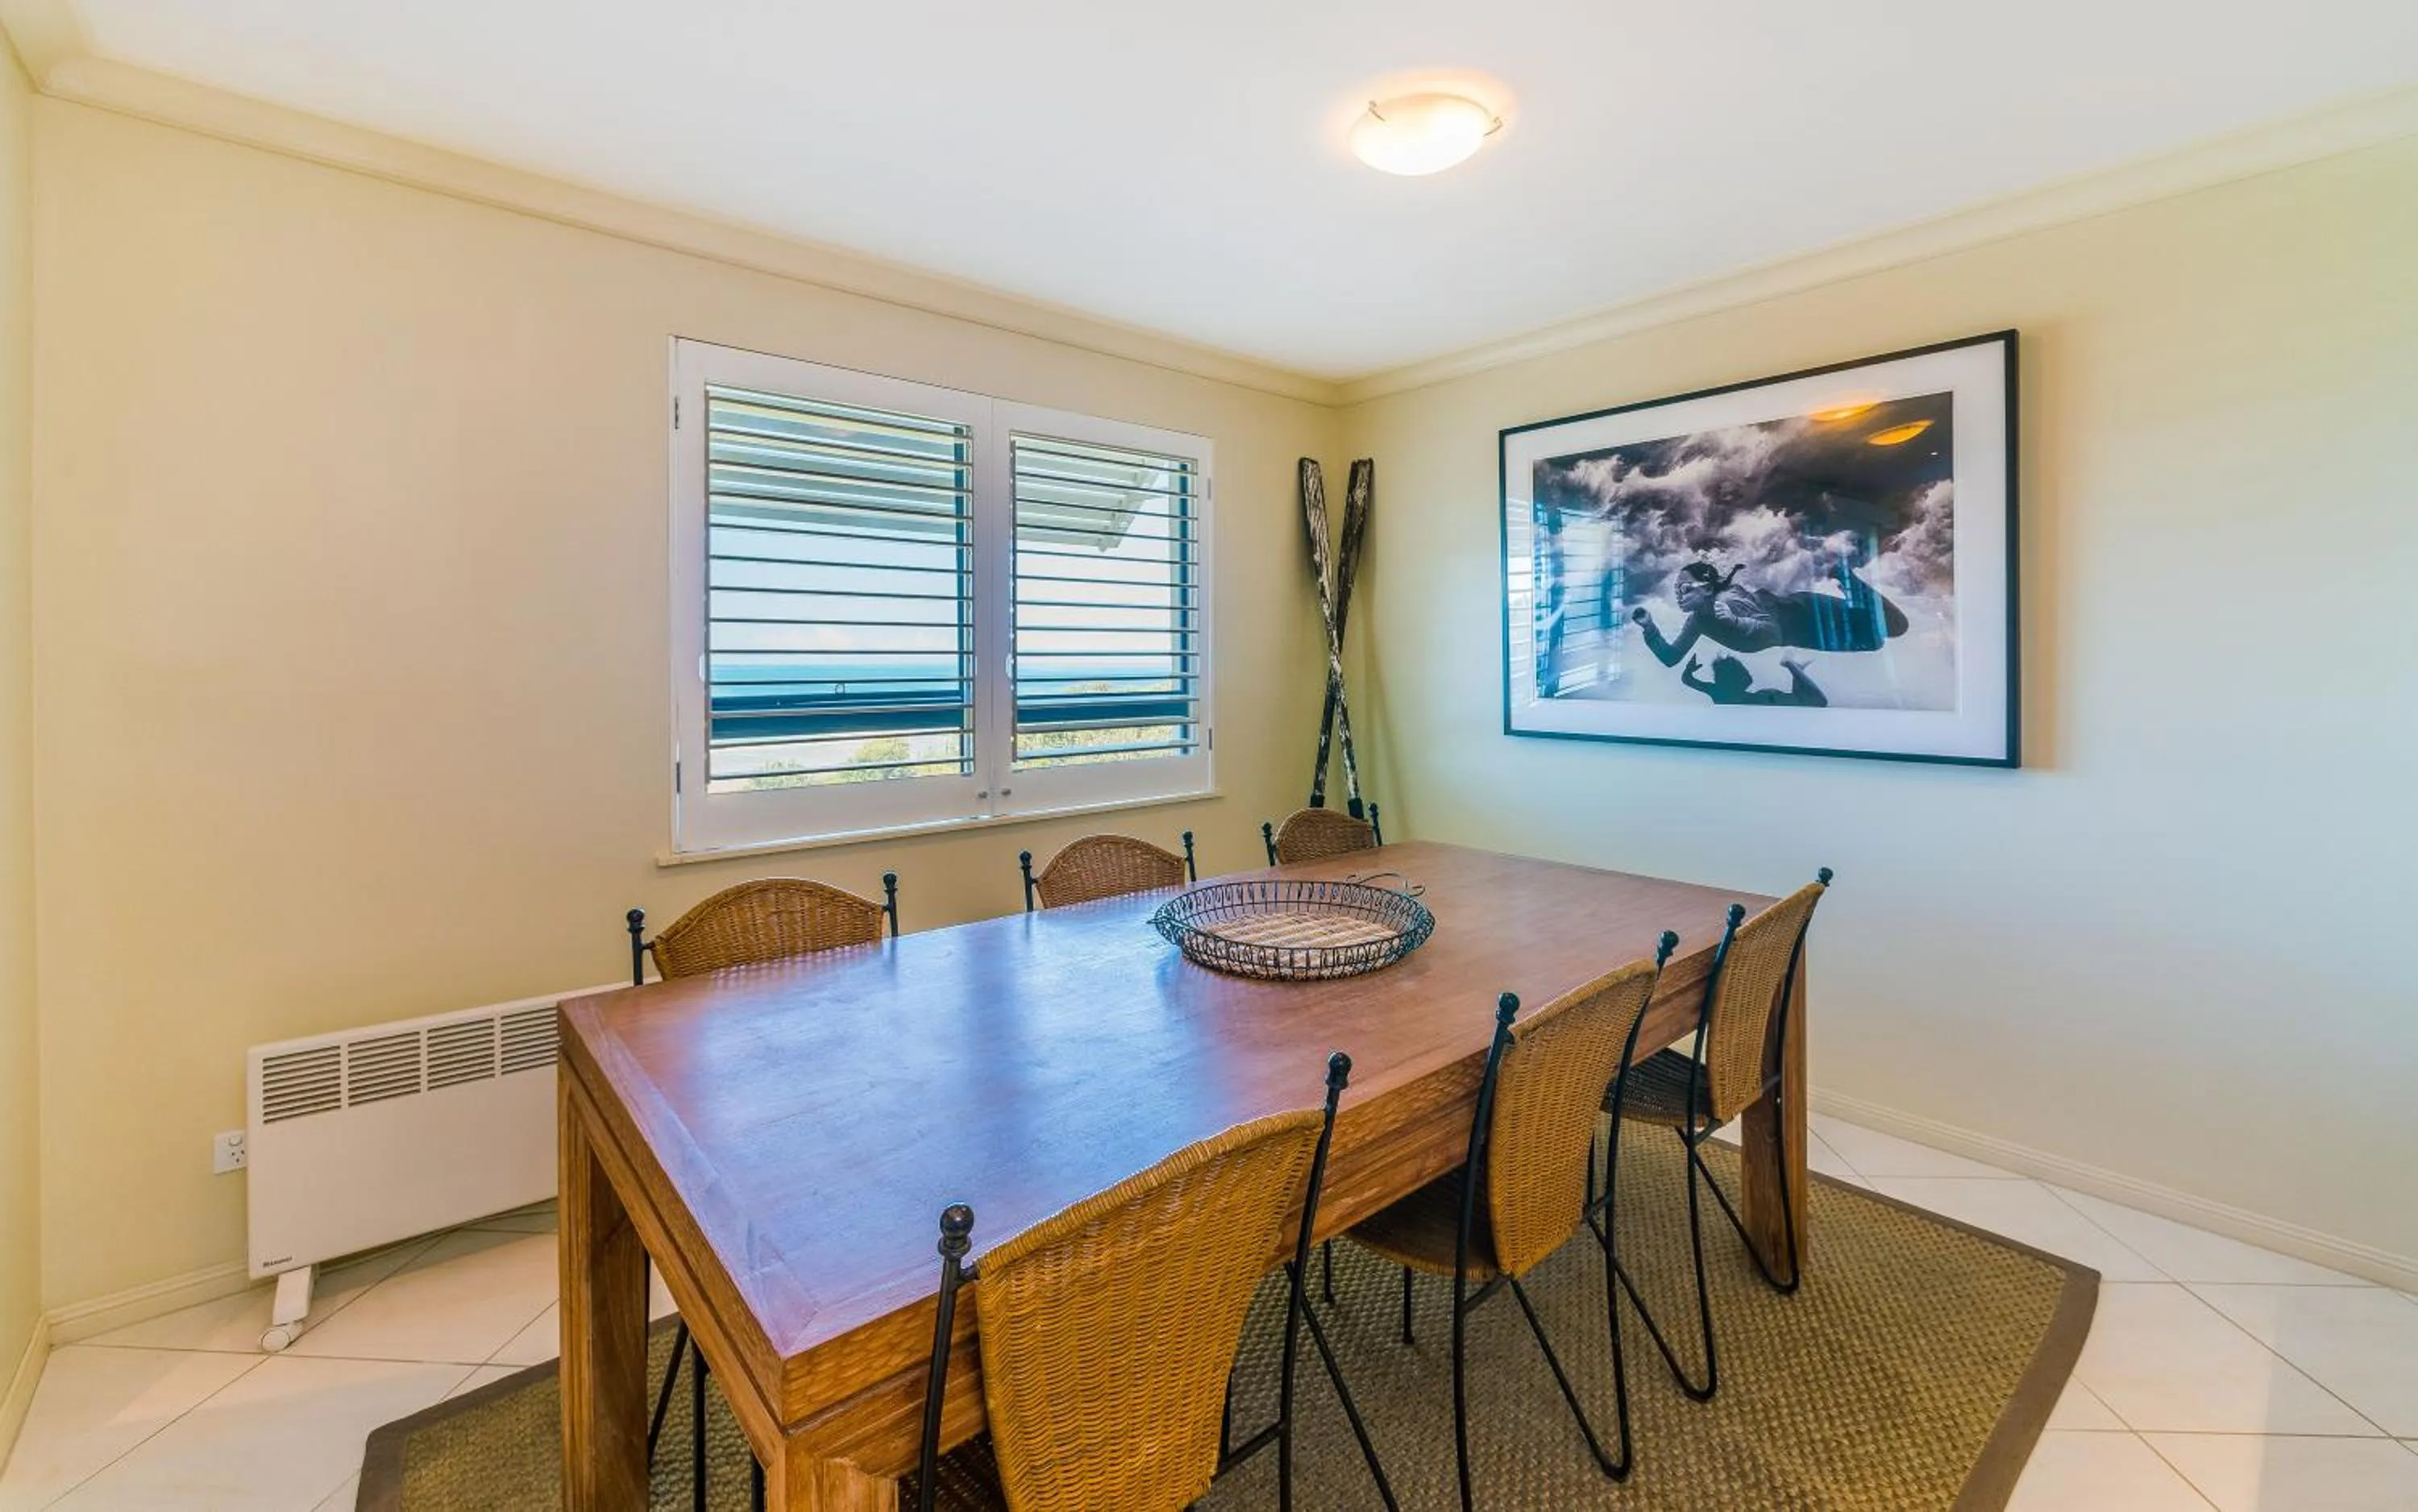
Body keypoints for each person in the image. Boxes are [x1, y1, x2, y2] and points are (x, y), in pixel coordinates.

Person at [1633, 559, 1909, 667]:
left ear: (1707, 589)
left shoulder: (1729, 598)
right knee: (1874, 642)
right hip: (1802, 635)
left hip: (1807, 613)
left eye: (1685, 588)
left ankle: (1845, 578)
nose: (1679, 595)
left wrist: (1736, 621)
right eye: (1676, 589)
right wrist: (1649, 628)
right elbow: (1671, 658)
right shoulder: (1699, 621)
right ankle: (1847, 583)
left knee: (1896, 627)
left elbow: (1770, 632)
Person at [1681, 654, 1828, 708]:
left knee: (1810, 700)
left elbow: (1687, 679)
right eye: (1743, 671)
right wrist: (1689, 670)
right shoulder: (1719, 691)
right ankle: (1791, 665)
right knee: (1817, 701)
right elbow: (1688, 680)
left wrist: (1689, 670)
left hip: (1768, 699)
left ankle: (1795, 668)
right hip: (1768, 699)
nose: (1748, 674)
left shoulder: (1717, 691)